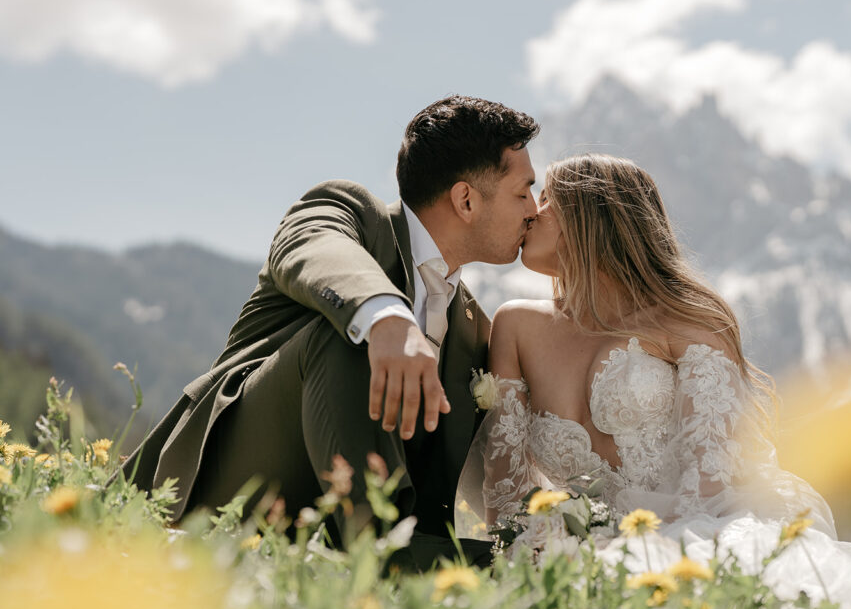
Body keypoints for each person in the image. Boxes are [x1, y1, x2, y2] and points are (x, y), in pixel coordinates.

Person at [457, 154, 851, 609]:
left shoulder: (688, 323)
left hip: (711, 524)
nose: (531, 212)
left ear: (593, 216)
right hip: (585, 546)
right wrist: (540, 557)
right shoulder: (515, 325)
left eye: (547, 199)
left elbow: (712, 481)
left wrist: (642, 555)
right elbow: (506, 488)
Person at [122, 95, 539, 569]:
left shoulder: (475, 327)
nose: (534, 208)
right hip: (231, 484)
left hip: (342, 524)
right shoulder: (355, 215)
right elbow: (307, 242)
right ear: (466, 200)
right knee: (348, 337)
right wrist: (385, 318)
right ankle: (380, 558)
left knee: (516, 559)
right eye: (523, 191)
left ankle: (410, 559)